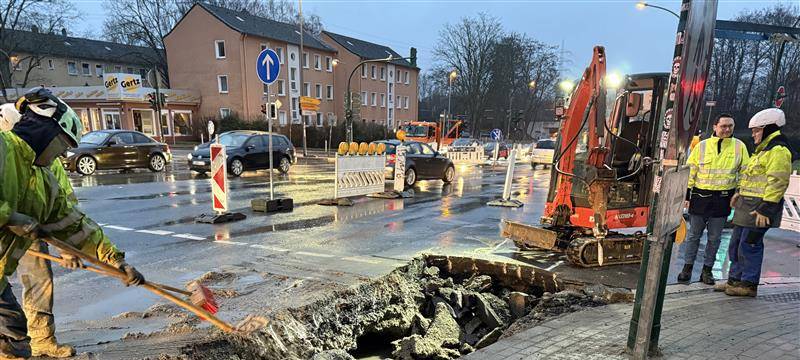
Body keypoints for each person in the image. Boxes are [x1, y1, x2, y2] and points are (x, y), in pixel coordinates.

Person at [0, 88, 145, 359]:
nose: (63, 154)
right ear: (46, 130)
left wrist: (115, 261)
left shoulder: (42, 180)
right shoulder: (2, 149)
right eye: (63, 145)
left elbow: (72, 224)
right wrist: (9, 217)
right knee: (11, 337)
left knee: (13, 338)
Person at [1, 102, 82, 358]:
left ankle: (42, 339)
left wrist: (67, 247)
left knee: (37, 282)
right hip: (17, 227)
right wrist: (10, 218)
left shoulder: (46, 165)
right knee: (11, 326)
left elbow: (64, 213)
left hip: (33, 229)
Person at [719, 108, 792, 297]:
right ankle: (734, 279)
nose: (753, 134)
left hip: (760, 209)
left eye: (757, 130)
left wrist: (766, 209)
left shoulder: (778, 151)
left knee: (750, 244)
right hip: (747, 207)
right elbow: (751, 176)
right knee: (736, 244)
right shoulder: (763, 151)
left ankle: (748, 284)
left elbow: (778, 182)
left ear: (768, 129)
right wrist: (739, 193)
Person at [678, 114, 749, 285]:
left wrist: (739, 193)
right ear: (714, 127)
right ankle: (687, 268)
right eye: (723, 126)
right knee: (694, 236)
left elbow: (745, 172)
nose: (727, 129)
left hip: (723, 199)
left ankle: (707, 271)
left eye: (730, 126)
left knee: (714, 238)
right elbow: (691, 171)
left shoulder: (739, 147)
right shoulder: (702, 146)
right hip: (700, 198)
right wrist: (687, 194)